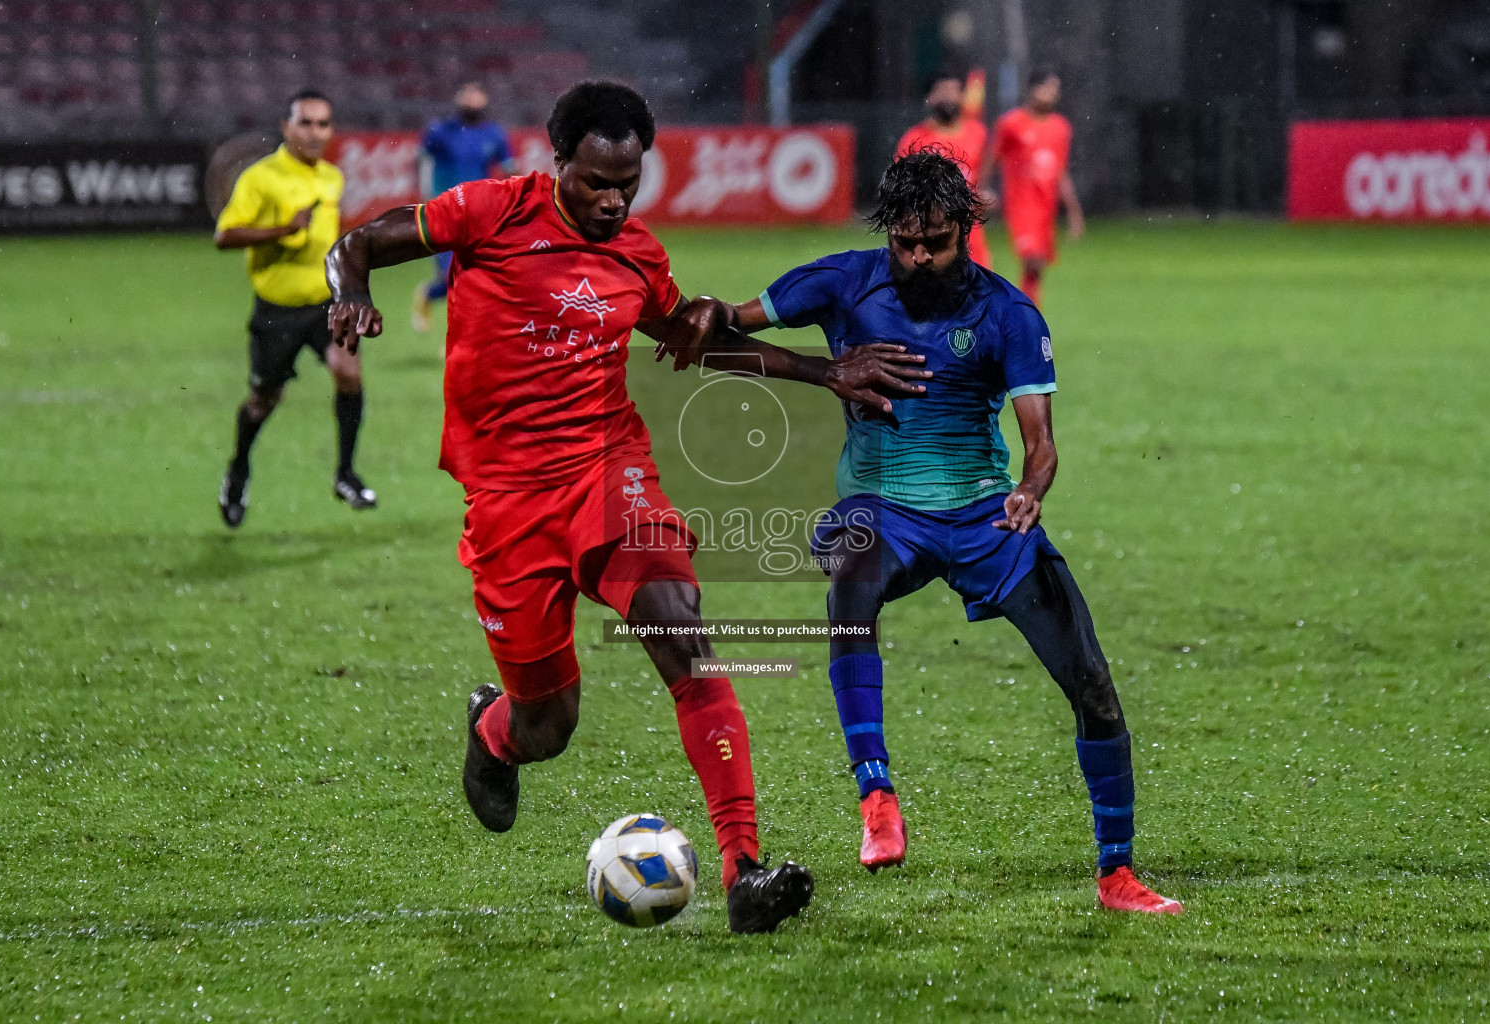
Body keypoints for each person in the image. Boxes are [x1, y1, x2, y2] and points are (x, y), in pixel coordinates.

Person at [325, 81, 925, 933]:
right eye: (595, 183)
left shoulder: (637, 255)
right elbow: (359, 242)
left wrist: (828, 373)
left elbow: (698, 337)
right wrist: (350, 291)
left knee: (684, 633)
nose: (612, 201)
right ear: (557, 161)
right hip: (507, 501)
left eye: (627, 185)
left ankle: (743, 870)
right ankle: (495, 733)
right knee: (549, 723)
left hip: (610, 471)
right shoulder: (489, 211)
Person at [670, 151, 1182, 915]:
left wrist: (1030, 491)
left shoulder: (1010, 314)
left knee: (1095, 687)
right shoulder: (845, 280)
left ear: (967, 232)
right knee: (852, 570)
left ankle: (1117, 874)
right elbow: (720, 334)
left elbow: (1039, 442)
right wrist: (730, 319)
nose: (917, 258)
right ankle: (876, 795)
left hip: (985, 516)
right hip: (883, 509)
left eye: (935, 243)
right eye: (905, 243)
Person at [214, 89, 375, 529]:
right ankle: (238, 470)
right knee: (264, 400)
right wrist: (283, 229)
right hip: (276, 311)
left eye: (323, 123)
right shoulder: (260, 178)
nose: (315, 131)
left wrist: (353, 288)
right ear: (286, 128)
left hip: (325, 305)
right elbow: (224, 236)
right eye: (305, 122)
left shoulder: (332, 178)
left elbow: (330, 242)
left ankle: (345, 473)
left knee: (349, 371)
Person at [411, 82, 516, 332]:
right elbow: (422, 160)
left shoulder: (494, 134)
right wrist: (425, 196)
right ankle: (460, 334)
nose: (472, 99)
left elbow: (510, 170)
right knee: (454, 275)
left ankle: (430, 295)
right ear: (458, 99)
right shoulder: (440, 130)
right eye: (467, 94)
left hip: (479, 214)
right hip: (444, 211)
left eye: (477, 95)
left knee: (476, 276)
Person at [980, 69, 1084, 307]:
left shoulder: (1060, 128)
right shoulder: (1011, 124)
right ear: (1032, 89)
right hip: (1022, 206)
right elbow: (991, 158)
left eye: (1054, 91)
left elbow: (1061, 172)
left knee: (1037, 270)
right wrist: (981, 191)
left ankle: (1025, 313)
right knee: (1033, 260)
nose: (1050, 95)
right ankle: (1019, 313)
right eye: (1045, 88)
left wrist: (1074, 212)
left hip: (1046, 208)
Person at [895, 69, 993, 269]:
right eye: (943, 91)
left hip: (970, 235)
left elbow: (980, 179)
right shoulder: (914, 139)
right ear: (930, 97)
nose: (949, 96)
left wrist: (985, 196)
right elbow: (899, 188)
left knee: (980, 293)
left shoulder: (978, 134)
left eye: (954, 90)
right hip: (931, 234)